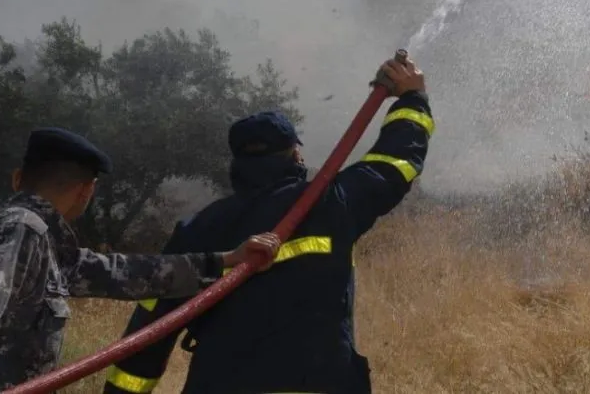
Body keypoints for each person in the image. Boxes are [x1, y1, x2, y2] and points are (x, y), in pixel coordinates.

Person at [101, 55, 433, 394]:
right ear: (295, 155)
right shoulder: (330, 203)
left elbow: (148, 335)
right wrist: (412, 99)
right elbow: (395, 163)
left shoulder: (196, 230)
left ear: (238, 164)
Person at [0, 127, 282, 393]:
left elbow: (122, 272)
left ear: (18, 179)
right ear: (86, 191)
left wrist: (225, 260)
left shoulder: (31, 240)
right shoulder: (24, 230)